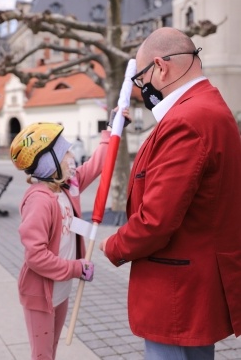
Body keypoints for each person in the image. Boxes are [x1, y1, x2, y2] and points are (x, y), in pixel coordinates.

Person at [99, 27, 241, 360]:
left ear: (160, 68)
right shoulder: (207, 108)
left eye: (140, 80)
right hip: (191, 285)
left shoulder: (187, 120)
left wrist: (114, 244)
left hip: (177, 289)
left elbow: (156, 220)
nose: (142, 90)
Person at [10, 115, 129, 360]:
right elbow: (35, 256)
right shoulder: (40, 200)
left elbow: (97, 165)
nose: (72, 157)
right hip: (40, 294)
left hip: (60, 288)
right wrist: (76, 268)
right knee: (43, 355)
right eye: (66, 153)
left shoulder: (66, 187)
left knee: (51, 350)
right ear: (47, 162)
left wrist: (112, 129)